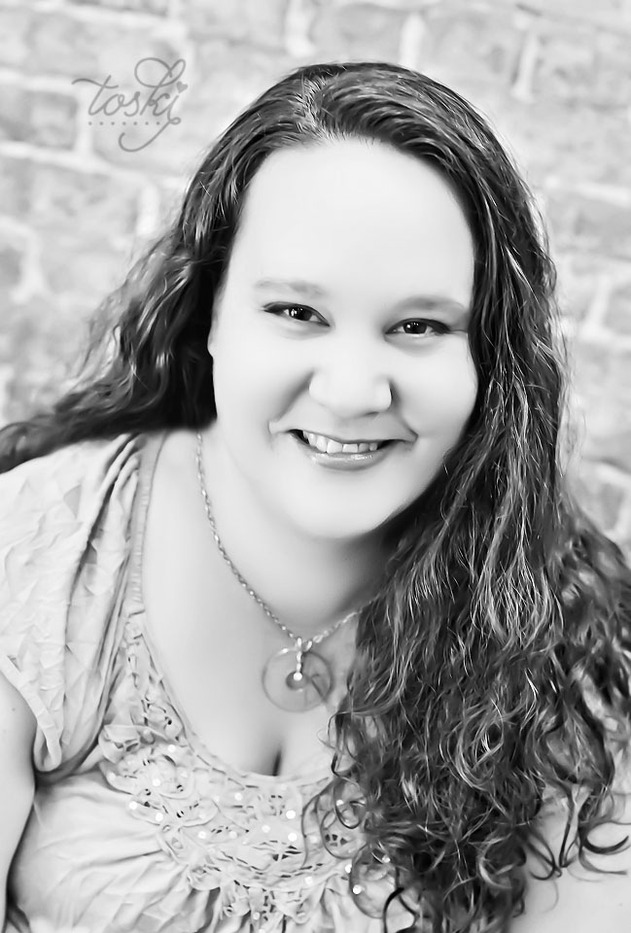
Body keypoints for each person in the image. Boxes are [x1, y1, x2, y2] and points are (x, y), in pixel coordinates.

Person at [0, 60, 630, 933]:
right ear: (209, 309)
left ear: (487, 360)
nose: (351, 390)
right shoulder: (42, 549)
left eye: (418, 326)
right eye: (297, 312)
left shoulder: (568, 637)